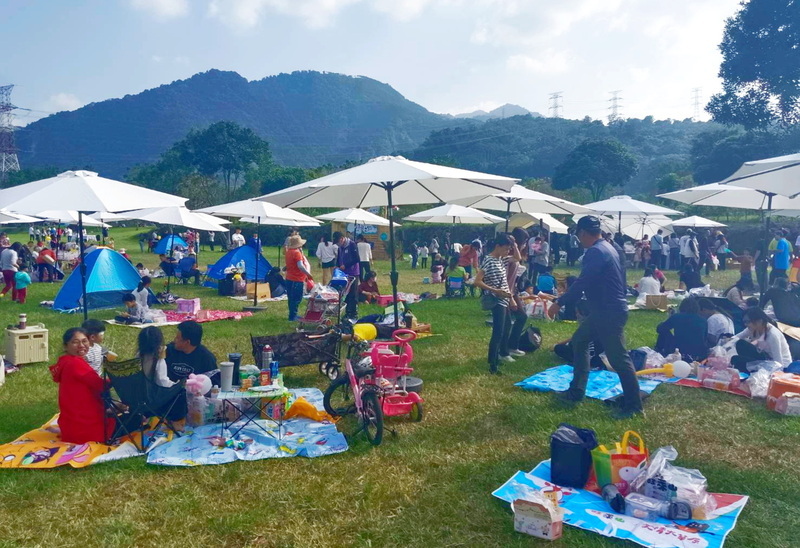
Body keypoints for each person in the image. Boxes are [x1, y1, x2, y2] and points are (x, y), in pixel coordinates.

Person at [547, 216, 643, 418]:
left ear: (582, 233)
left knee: (619, 359)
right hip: (605, 310)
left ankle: (634, 407)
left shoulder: (596, 252)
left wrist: (559, 303)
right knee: (580, 341)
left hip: (608, 312)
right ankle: (576, 391)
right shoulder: (609, 247)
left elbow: (583, 282)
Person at [49, 327, 115, 444]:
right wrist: (118, 377)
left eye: (84, 341)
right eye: (75, 342)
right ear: (65, 346)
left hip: (70, 428)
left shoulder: (65, 361)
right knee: (134, 420)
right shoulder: (75, 363)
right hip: (86, 430)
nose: (81, 345)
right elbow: (101, 385)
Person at [474, 233, 514, 374]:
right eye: (506, 248)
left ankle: (498, 356)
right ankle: (493, 363)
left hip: (504, 299)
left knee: (506, 327)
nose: (508, 251)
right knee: (498, 332)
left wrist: (511, 298)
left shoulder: (500, 260)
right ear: (498, 246)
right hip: (496, 299)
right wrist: (495, 290)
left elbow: (518, 259)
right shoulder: (489, 260)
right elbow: (477, 281)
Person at [730, 307, 792, 372]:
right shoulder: (752, 329)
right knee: (738, 352)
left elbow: (778, 362)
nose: (746, 325)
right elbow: (735, 338)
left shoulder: (772, 335)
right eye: (745, 322)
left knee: (739, 361)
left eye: (748, 322)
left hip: (781, 366)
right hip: (765, 358)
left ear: (759, 321)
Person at [553, 300, 605, 370]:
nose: (576, 315)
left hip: (588, 360)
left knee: (559, 348)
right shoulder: (600, 324)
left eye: (577, 312)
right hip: (600, 360)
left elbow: (575, 341)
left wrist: (558, 345)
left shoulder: (585, 325)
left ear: (583, 313)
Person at [285, 234, 313, 321]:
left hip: (289, 278)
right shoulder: (297, 253)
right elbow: (300, 266)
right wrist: (308, 274)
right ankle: (293, 316)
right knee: (297, 298)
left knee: (291, 298)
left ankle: (291, 315)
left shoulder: (288, 251)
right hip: (296, 279)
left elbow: (290, 264)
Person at [334, 231, 360, 319]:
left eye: (338, 242)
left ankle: (353, 313)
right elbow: (338, 258)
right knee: (346, 294)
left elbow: (357, 258)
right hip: (344, 273)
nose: (338, 244)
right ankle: (347, 312)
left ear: (342, 239)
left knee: (353, 293)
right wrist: (337, 266)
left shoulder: (352, 245)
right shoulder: (340, 248)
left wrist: (346, 265)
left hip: (353, 273)